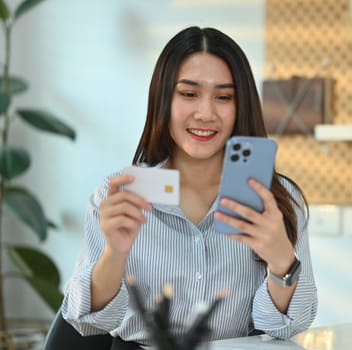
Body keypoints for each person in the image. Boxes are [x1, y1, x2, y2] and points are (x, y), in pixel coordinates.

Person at [61, 26, 317, 349]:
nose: (206, 113)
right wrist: (115, 254)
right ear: (164, 99)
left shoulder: (277, 201)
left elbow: (283, 328)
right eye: (189, 94)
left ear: (242, 107)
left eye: (223, 97)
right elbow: (86, 321)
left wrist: (282, 263)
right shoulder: (120, 194)